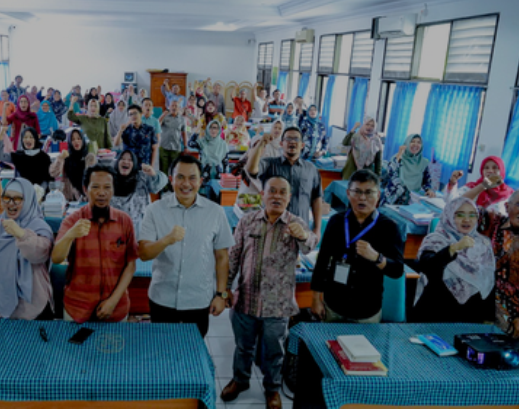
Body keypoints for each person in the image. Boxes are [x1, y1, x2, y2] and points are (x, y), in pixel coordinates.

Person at [222, 176, 318, 408]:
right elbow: (233, 256)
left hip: (278, 305)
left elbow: (310, 245)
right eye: (272, 191)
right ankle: (240, 380)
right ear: (262, 195)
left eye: (282, 192)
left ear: (289, 197)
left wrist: (303, 235)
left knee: (275, 351)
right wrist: (225, 288)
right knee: (243, 347)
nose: (277, 196)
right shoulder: (247, 221)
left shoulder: (295, 223)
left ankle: (272, 389)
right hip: (245, 300)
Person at [139, 155, 235, 337]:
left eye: (192, 178)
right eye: (180, 177)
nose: (186, 184)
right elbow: (143, 253)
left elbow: (222, 257)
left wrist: (221, 295)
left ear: (201, 181)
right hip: (162, 298)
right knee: (162, 348)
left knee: (194, 349)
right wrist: (166, 240)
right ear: (171, 179)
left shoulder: (215, 212)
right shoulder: (154, 210)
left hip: (199, 300)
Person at [311, 170, 404, 323]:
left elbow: (397, 270)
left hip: (366, 308)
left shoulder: (389, 227)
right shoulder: (336, 222)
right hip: (334, 303)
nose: (362, 198)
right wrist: (315, 299)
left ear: (378, 195)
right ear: (348, 194)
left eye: (368, 193)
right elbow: (322, 261)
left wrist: (377, 257)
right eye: (357, 192)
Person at [52, 164, 138, 322]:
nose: (102, 193)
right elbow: (56, 258)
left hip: (115, 308)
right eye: (96, 187)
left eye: (107, 187)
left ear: (113, 190)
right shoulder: (72, 220)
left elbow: (130, 265)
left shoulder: (124, 221)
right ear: (86, 189)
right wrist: (71, 235)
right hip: (77, 309)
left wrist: (113, 301)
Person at [467, 187, 519, 338]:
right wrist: (483, 185)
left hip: (507, 317)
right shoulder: (490, 221)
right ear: (507, 207)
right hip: (470, 304)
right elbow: (457, 207)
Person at [411, 197, 495, 323]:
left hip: (471, 315)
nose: (467, 220)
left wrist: (488, 318)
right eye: (460, 215)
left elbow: (488, 281)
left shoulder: (483, 244)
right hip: (436, 310)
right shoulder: (436, 239)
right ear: (449, 216)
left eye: (472, 215)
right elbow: (427, 267)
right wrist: (453, 249)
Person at [0, 178, 55, 320]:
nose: (11, 203)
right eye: (7, 198)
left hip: (33, 308)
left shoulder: (39, 227)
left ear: (29, 200)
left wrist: (21, 234)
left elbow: (40, 253)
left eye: (18, 199)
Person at [246, 127, 323, 236]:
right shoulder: (269, 164)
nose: (292, 142)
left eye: (296, 139)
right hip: (271, 227)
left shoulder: (311, 169)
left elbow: (316, 199)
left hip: (300, 229)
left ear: (302, 145)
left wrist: (317, 228)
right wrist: (260, 144)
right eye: (288, 139)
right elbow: (251, 169)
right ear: (281, 144)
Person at [110, 150, 168, 233]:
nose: (126, 161)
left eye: (130, 160)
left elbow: (161, 183)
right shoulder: (109, 179)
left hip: (138, 230)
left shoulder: (141, 178)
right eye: (122, 159)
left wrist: (153, 174)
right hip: (115, 229)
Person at [380, 134, 435, 206]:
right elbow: (391, 172)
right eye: (412, 141)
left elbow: (426, 180)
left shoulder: (423, 162)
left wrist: (429, 190)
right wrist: (399, 154)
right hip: (394, 197)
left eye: (419, 142)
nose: (415, 144)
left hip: (412, 199)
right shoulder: (398, 158)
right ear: (406, 143)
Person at [444, 156, 514, 209]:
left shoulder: (508, 194)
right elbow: (452, 203)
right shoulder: (471, 187)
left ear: (501, 171)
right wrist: (452, 183)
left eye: (495, 168)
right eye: (486, 168)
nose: (490, 171)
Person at [0, 126, 54, 191]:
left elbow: (47, 179)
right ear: (22, 140)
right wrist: (0, 138)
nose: (28, 140)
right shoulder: (18, 156)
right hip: (21, 193)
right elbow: (0, 156)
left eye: (31, 137)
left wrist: (39, 191)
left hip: (39, 194)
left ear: (35, 139)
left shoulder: (44, 157)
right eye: (25, 137)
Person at [49, 129, 98, 201]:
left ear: (83, 139)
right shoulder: (66, 158)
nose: (76, 141)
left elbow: (94, 180)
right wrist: (60, 159)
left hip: (88, 199)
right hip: (70, 199)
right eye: (73, 139)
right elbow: (53, 173)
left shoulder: (90, 158)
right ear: (70, 142)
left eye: (78, 138)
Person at [158, 100, 188, 176]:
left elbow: (184, 134)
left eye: (176, 106)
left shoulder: (182, 119)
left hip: (176, 148)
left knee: (174, 170)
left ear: (179, 108)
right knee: (163, 170)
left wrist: (185, 146)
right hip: (164, 147)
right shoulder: (165, 116)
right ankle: (165, 184)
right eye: (172, 106)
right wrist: (162, 115)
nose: (174, 107)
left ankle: (172, 184)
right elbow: (157, 126)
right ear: (169, 107)